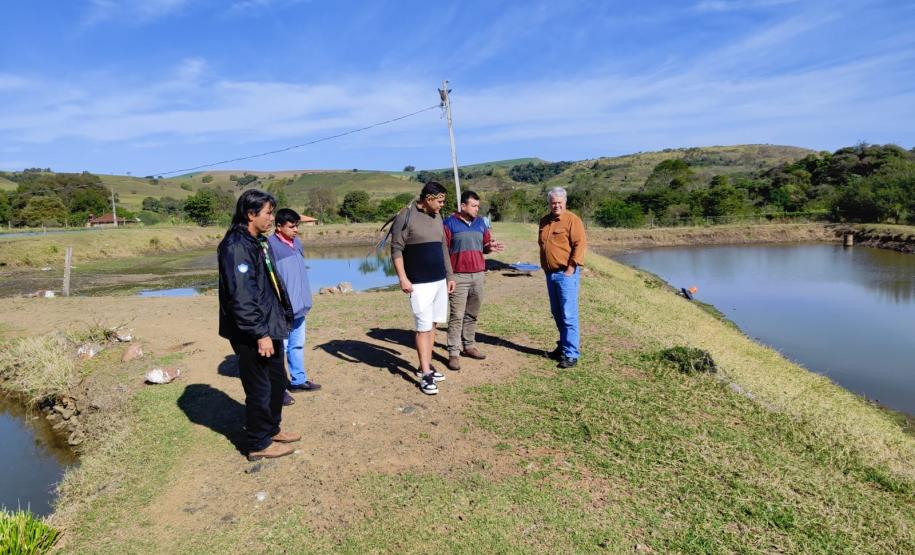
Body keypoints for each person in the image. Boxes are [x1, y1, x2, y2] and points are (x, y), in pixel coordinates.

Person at [218, 189, 298, 461]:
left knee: (277, 382)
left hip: (268, 324)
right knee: (260, 387)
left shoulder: (256, 242)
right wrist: (260, 333)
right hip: (252, 331)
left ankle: (271, 429)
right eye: (268, 213)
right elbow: (242, 296)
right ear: (250, 214)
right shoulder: (236, 246)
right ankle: (258, 443)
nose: (271, 218)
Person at [390, 181, 456, 395]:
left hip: (439, 281)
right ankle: (425, 374)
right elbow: (396, 249)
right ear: (428, 198)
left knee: (434, 324)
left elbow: (443, 247)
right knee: (422, 326)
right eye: (440, 201)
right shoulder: (405, 216)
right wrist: (403, 278)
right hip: (418, 283)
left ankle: (424, 365)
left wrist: (449, 276)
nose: (442, 205)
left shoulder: (437, 216)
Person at [442, 190, 504, 371]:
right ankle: (453, 353)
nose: (477, 209)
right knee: (456, 316)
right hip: (458, 277)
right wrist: (448, 276)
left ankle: (469, 346)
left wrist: (490, 247)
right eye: (474, 205)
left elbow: (484, 247)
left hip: (478, 275)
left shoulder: (481, 223)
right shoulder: (449, 224)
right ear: (463, 206)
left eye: (478, 206)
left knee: (472, 314)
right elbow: (444, 252)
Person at [267, 208, 321, 395]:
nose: (296, 229)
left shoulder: (297, 242)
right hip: (282, 309)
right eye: (291, 226)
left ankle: (298, 381)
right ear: (279, 226)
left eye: (297, 225)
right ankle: (279, 387)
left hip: (300, 306)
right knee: (279, 349)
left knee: (297, 345)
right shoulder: (269, 246)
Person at [538, 187, 587, 368]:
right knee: (557, 313)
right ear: (549, 203)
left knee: (569, 315)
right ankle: (564, 346)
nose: (556, 205)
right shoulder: (544, 221)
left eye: (559, 202)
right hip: (550, 274)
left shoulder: (572, 220)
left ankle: (571, 354)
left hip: (566, 274)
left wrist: (570, 269)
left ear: (565, 202)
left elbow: (580, 244)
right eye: (553, 202)